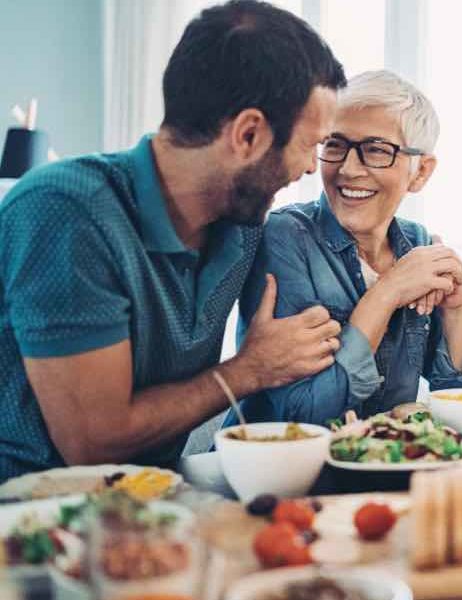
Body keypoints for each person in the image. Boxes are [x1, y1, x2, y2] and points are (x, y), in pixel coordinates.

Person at [0, 0, 347, 480]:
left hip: (156, 503)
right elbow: (93, 442)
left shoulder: (242, 222)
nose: (312, 167)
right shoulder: (65, 210)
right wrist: (249, 370)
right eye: (309, 145)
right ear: (248, 135)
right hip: (32, 516)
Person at [224, 70, 462, 427]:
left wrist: (456, 307)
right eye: (335, 145)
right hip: (276, 473)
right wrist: (387, 292)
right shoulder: (282, 237)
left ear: (421, 172)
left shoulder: (418, 246)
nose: (348, 169)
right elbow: (303, 417)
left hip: (378, 471)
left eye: (376, 150)